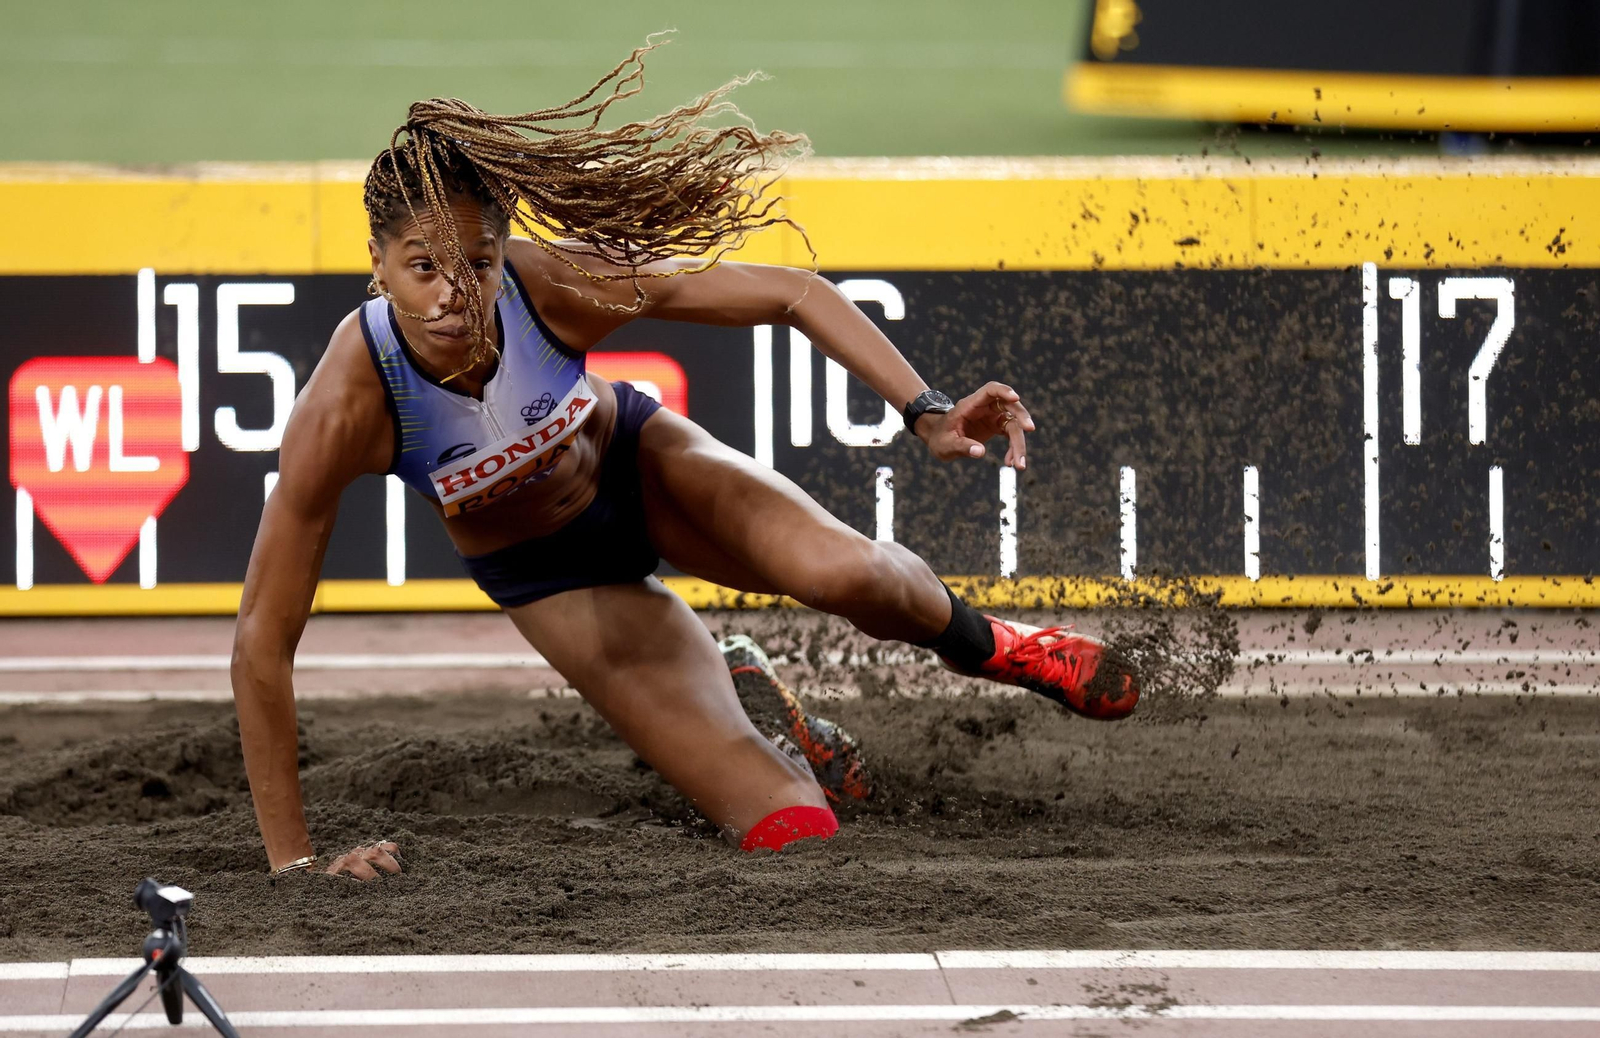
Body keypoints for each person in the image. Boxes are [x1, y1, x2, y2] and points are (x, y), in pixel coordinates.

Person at [231, 41, 1139, 883]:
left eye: (476, 261)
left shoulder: (551, 287)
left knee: (848, 572)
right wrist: (299, 870)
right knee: (793, 831)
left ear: (503, 248)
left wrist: (927, 412)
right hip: (553, 581)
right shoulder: (347, 407)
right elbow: (262, 646)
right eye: (422, 268)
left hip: (642, 470)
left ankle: (1003, 649)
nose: (453, 294)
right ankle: (763, 711)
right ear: (377, 266)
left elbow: (792, 292)